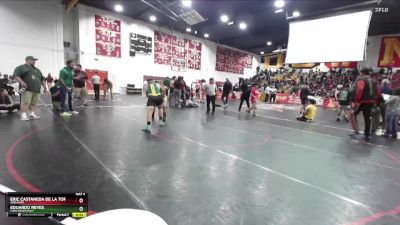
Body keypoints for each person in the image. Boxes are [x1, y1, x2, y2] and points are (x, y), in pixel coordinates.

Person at [349, 68, 381, 140]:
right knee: (367, 118)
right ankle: (367, 134)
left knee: (352, 114)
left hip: (362, 102)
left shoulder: (361, 80)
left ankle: (356, 131)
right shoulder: (375, 81)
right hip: (371, 102)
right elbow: (379, 92)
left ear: (362, 73)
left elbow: (360, 90)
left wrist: (357, 101)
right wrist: (376, 101)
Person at [13, 56, 47, 121]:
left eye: (34, 60)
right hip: (26, 89)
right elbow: (16, 76)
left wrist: (45, 87)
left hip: (36, 89)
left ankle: (32, 114)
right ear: (27, 60)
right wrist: (21, 82)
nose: (34, 61)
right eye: (32, 60)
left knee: (33, 103)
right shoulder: (21, 67)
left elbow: (42, 79)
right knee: (25, 102)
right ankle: (23, 115)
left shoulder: (37, 69)